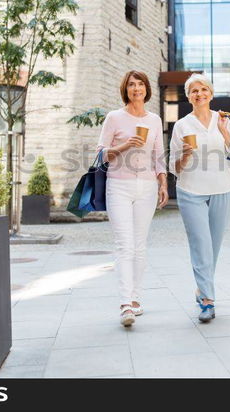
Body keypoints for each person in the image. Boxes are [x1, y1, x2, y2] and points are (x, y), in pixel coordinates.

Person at [169, 73, 230, 322]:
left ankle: (202, 288)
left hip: (222, 189)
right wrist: (185, 157)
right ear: (188, 96)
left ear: (210, 93)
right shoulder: (182, 125)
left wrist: (224, 133)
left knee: (214, 246)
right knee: (201, 244)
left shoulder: (223, 120)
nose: (199, 94)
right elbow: (173, 167)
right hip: (191, 191)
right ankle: (208, 301)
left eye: (203, 89)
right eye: (193, 91)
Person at [97, 70, 169, 327]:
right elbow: (101, 155)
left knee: (139, 245)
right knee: (124, 245)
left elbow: (158, 154)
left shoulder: (155, 120)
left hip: (147, 188)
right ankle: (125, 303)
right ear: (125, 89)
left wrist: (163, 182)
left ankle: (136, 298)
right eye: (131, 85)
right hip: (118, 186)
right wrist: (126, 145)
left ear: (147, 89)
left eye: (140, 84)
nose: (136, 88)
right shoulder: (114, 118)